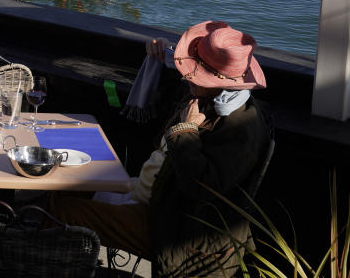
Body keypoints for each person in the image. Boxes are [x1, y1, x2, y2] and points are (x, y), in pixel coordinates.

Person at [49, 21, 271, 277]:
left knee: (62, 211)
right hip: (155, 201)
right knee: (65, 191)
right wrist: (160, 57)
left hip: (180, 232)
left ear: (218, 81)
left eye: (194, 73)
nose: (187, 76)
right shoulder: (207, 98)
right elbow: (176, 91)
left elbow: (200, 188)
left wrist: (185, 133)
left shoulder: (243, 128)